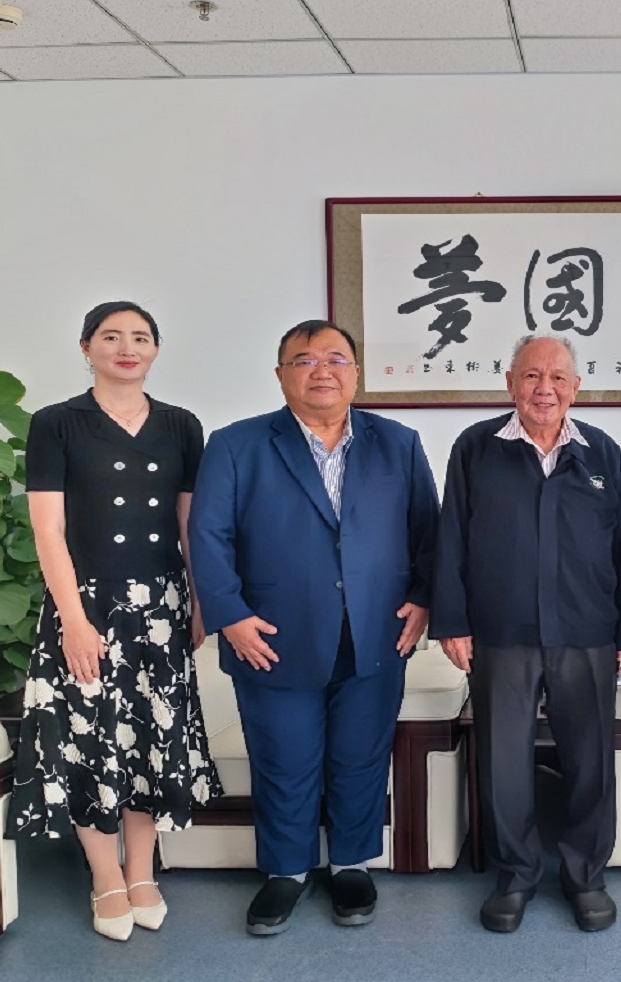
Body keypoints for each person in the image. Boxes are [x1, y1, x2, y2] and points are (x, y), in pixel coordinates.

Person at [188, 320, 439, 936]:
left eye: (335, 359)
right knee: (284, 758)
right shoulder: (237, 444)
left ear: (356, 373)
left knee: (360, 756)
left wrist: (424, 600)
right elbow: (208, 536)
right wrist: (230, 617)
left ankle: (351, 864)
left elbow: (429, 533)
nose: (320, 370)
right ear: (281, 376)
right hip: (270, 637)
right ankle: (286, 872)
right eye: (303, 360)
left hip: (377, 630)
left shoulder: (398, 443)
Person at [9, 300, 223, 942]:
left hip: (161, 607)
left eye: (140, 337)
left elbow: (189, 524)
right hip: (86, 604)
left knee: (150, 736)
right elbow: (48, 531)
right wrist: (73, 621)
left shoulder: (181, 425)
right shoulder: (56, 423)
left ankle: (142, 871)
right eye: (111, 336)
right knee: (89, 736)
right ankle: (105, 876)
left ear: (155, 349)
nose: (127, 348)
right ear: (86, 348)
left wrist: (201, 600)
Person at [432, 335, 621, 934]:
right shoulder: (476, 447)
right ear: (510, 383)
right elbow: (451, 536)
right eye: (531, 376)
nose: (544, 388)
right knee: (503, 758)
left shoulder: (600, 451)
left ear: (576, 387)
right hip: (502, 630)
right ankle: (516, 874)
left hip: (587, 629)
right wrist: (452, 621)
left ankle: (585, 875)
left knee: (589, 757)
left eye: (557, 378)